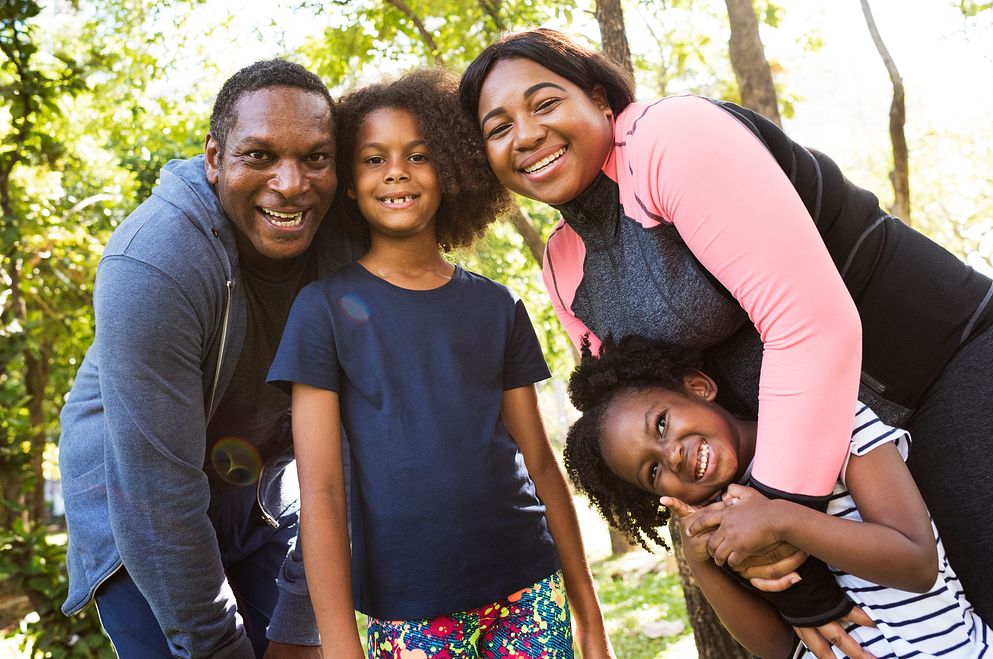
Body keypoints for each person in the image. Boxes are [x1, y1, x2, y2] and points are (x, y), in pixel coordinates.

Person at [458, 27, 993, 638]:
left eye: (545, 103)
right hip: (831, 477)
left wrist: (775, 527)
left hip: (940, 372)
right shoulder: (563, 264)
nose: (526, 135)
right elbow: (637, 414)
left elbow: (809, 322)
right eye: (498, 128)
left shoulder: (672, 137)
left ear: (601, 100)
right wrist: (795, 583)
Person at [266, 68, 615, 659]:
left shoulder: (496, 305)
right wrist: (341, 646)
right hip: (407, 613)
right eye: (373, 159)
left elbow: (540, 464)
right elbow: (321, 492)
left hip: (529, 589)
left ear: (449, 169)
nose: (397, 171)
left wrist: (590, 616)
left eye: (419, 154)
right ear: (349, 183)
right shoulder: (321, 310)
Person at [58, 59, 361, 657]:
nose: (292, 183)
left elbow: (352, 456)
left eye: (315, 158)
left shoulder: (353, 248)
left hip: (263, 503)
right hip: (137, 515)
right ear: (216, 159)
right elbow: (157, 497)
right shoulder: (154, 262)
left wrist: (300, 631)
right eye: (260, 156)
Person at [563, 334, 993, 659]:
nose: (671, 455)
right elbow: (777, 649)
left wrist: (779, 520)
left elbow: (917, 564)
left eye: (661, 424)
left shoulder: (832, 424)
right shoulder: (724, 522)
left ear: (698, 388)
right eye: (652, 471)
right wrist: (701, 562)